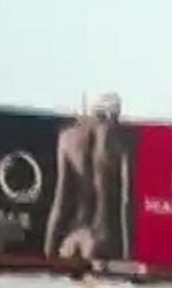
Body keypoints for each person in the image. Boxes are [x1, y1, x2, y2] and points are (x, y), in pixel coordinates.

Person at [43, 93, 130, 261]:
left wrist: (48, 254)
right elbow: (125, 204)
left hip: (74, 234)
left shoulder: (67, 138)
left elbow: (60, 203)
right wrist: (127, 257)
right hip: (103, 236)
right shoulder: (120, 141)